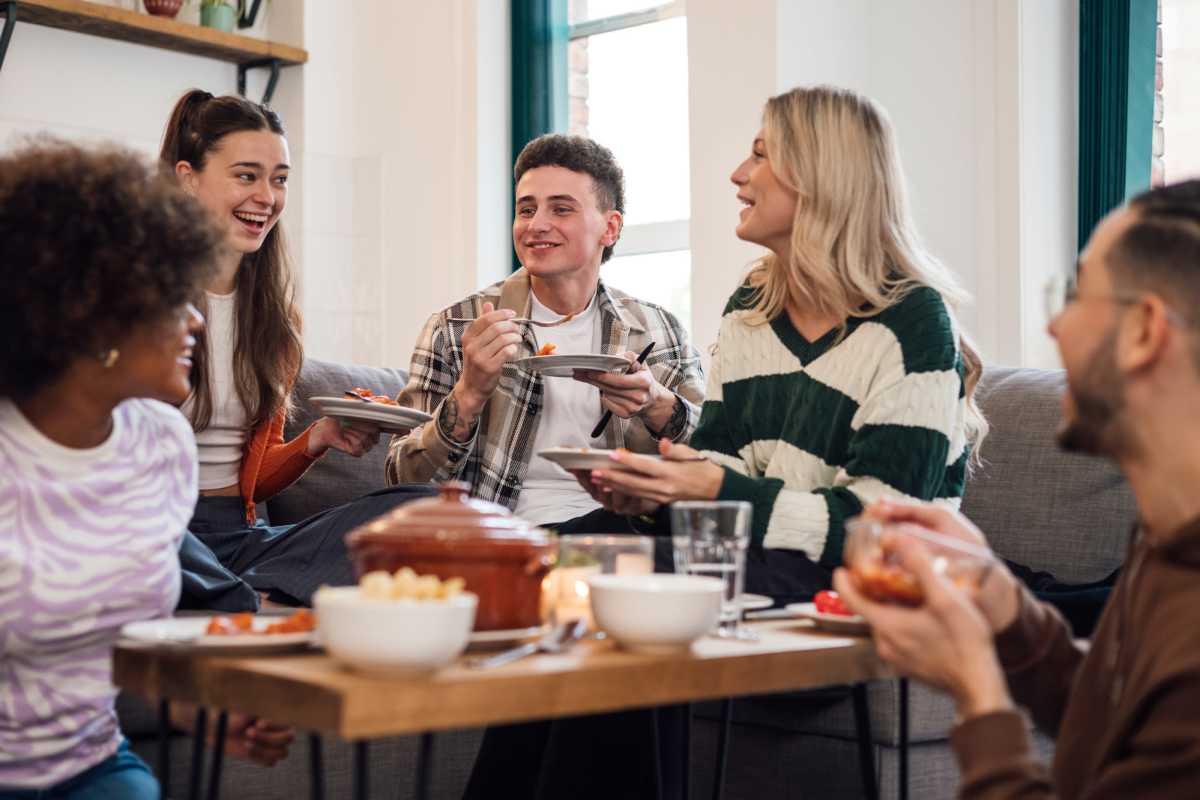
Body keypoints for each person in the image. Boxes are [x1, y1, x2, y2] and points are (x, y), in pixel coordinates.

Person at [835, 180, 1200, 798]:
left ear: (1143, 331)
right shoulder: (1168, 541)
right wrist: (1005, 607)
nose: (1056, 326)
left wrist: (976, 688)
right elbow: (1119, 721)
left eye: (1079, 294)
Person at [587, 85, 988, 603]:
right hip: (760, 557)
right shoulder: (752, 309)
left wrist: (710, 489)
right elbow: (723, 469)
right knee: (562, 545)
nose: (737, 175)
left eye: (760, 154)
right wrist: (653, 496)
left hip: (856, 579)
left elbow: (885, 534)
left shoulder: (912, 323)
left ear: (819, 175)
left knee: (610, 569)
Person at [0, 142, 288, 798]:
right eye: (169, 296)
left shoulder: (160, 445)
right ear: (87, 311)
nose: (194, 320)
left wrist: (199, 714)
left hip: (92, 766)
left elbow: (107, 648)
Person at [161, 90, 430, 611]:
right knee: (145, 535)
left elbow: (252, 482)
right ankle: (244, 597)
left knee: (417, 512)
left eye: (279, 179)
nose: (267, 196)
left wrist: (319, 438)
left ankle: (239, 595)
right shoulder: (144, 303)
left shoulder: (272, 324)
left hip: (238, 541)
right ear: (187, 177)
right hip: (161, 529)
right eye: (246, 175)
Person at [385, 133, 704, 530]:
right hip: (497, 534)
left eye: (561, 209)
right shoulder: (458, 327)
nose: (536, 225)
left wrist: (656, 403)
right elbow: (401, 481)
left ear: (610, 227)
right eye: (527, 209)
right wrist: (469, 393)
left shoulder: (660, 331)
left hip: (620, 530)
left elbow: (713, 467)